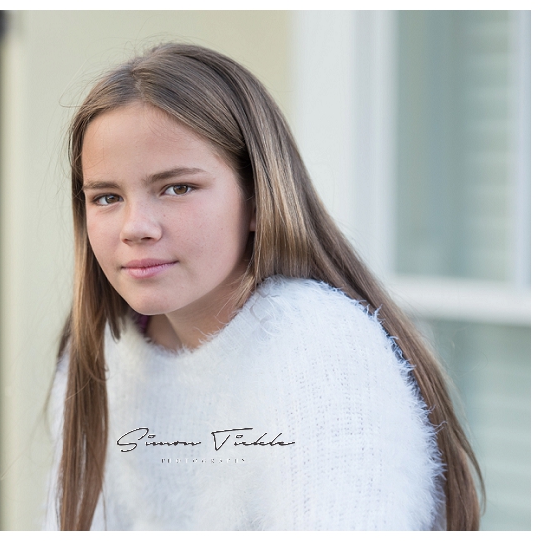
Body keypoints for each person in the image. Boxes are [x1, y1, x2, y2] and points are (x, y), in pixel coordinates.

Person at [44, 42, 482, 531]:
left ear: (257, 198)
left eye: (177, 187)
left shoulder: (320, 352)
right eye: (106, 197)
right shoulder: (103, 351)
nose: (135, 227)